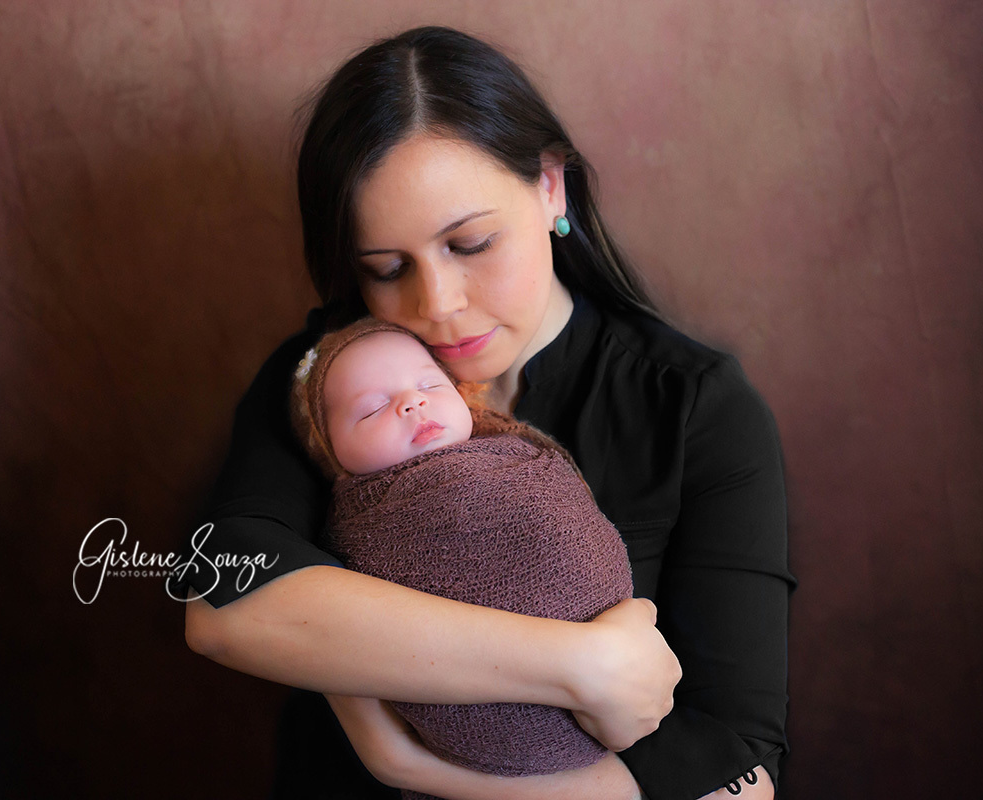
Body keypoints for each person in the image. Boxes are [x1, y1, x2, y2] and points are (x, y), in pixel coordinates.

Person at [178, 25, 793, 800]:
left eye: (470, 243)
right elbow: (222, 601)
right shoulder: (326, 381)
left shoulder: (693, 407)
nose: (436, 307)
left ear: (549, 186)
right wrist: (582, 665)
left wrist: (412, 762)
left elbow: (742, 775)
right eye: (387, 268)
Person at [288, 317, 635, 799]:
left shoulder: (513, 454)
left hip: (618, 684)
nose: (413, 401)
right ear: (332, 454)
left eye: (430, 383)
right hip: (499, 739)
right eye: (370, 410)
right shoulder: (362, 521)